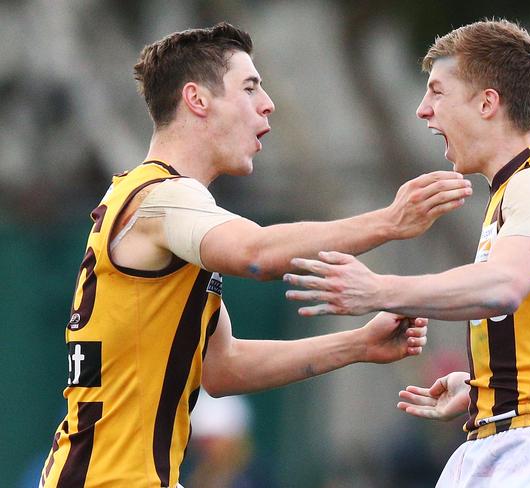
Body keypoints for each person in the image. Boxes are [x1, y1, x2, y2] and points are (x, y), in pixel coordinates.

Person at [38, 23, 472, 488]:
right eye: (249, 87)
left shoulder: (155, 203)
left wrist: (357, 345)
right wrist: (389, 221)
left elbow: (222, 367)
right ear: (197, 99)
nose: (267, 103)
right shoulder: (163, 197)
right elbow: (255, 254)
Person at [284, 19, 530, 487]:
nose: (422, 110)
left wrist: (380, 290)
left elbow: (504, 285)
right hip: (504, 439)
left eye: (437, 91)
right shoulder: (522, 185)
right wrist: (485, 387)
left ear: (486, 103)